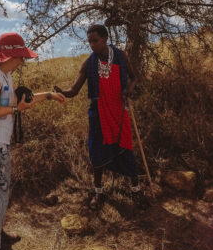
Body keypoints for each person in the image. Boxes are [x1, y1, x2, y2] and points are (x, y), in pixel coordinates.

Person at [0, 32, 65, 250]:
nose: (23, 61)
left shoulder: (5, 76)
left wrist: (50, 96)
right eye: (21, 57)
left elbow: (21, 103)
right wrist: (15, 110)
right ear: (11, 56)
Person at [53, 24, 149, 210]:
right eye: (89, 41)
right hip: (98, 114)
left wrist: (128, 90)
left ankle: (135, 190)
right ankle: (98, 192)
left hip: (119, 112)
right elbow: (74, 90)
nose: (91, 45)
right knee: (97, 153)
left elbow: (134, 77)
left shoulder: (120, 56)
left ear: (105, 39)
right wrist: (61, 92)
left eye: (95, 41)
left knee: (126, 148)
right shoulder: (89, 63)